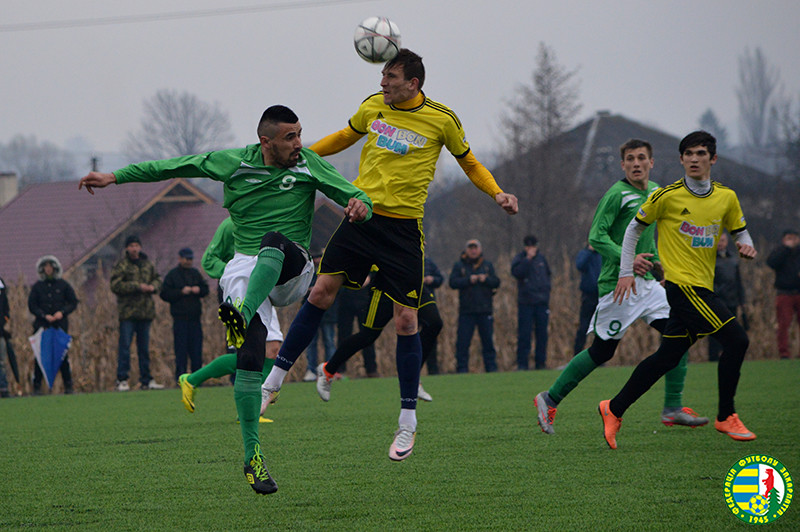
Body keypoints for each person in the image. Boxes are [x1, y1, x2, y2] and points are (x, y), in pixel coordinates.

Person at [80, 105, 372, 495]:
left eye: (300, 133)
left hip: (292, 267)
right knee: (251, 359)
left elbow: (355, 196)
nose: (299, 143)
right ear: (265, 142)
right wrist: (114, 177)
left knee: (273, 242)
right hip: (244, 270)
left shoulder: (309, 164)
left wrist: (360, 205)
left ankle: (244, 311)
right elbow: (172, 166)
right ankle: (253, 457)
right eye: (290, 137)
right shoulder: (233, 163)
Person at [259, 49, 518, 465]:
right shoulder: (373, 106)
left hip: (403, 231)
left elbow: (468, 162)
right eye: (382, 75)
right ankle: (272, 383)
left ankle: (407, 422)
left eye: (391, 77)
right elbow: (344, 137)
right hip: (361, 217)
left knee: (407, 320)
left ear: (413, 83)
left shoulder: (442, 119)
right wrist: (301, 157)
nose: (382, 83)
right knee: (321, 292)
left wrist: (497, 192)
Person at [535, 139, 708, 435]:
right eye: (630, 159)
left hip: (648, 284)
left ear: (651, 163)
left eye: (642, 158)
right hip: (619, 284)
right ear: (623, 164)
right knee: (603, 352)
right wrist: (627, 260)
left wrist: (660, 264)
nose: (636, 163)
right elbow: (596, 237)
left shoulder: (656, 192)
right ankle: (549, 398)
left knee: (681, 334)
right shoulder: (616, 195)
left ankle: (673, 407)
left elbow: (650, 237)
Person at [600, 131, 757, 449]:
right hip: (683, 289)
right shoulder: (666, 196)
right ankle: (726, 415)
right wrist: (626, 271)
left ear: (712, 159)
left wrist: (745, 245)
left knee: (666, 358)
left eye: (701, 153)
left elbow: (741, 230)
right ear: (681, 159)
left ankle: (614, 408)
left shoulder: (726, 197)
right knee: (737, 340)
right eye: (688, 154)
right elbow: (633, 229)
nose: (694, 159)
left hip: (703, 286)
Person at [180, 217, 282, 424]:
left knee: (271, 349)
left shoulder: (267, 220)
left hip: (260, 287)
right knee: (252, 351)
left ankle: (193, 381)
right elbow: (209, 260)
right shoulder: (230, 225)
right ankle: (250, 410)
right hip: (238, 289)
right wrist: (235, 272)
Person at [316, 256, 444, 402]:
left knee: (434, 323)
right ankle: (328, 370)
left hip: (412, 282)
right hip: (386, 286)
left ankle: (412, 380)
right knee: (368, 336)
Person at [109, 235, 164, 392]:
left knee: (144, 348)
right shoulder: (122, 265)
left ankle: (146, 379)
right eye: (131, 245)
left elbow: (158, 279)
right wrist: (137, 286)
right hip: (127, 313)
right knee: (125, 347)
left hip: (145, 312)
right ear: (127, 248)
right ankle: (122, 379)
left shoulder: (147, 264)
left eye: (136, 245)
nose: (134, 248)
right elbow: (115, 285)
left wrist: (152, 287)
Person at [29, 255, 79, 394]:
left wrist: (61, 313)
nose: (48, 269)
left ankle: (68, 385)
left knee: (62, 356)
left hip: (59, 326)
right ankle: (37, 386)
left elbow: (73, 302)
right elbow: (32, 305)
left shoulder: (63, 285)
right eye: (46, 267)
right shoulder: (37, 287)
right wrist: (43, 315)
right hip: (42, 326)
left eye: (51, 266)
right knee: (40, 357)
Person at [450, 239, 501, 373]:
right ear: (466, 250)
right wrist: (468, 280)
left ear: (480, 249)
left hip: (485, 310)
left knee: (488, 342)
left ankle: (491, 369)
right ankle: (462, 370)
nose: (473, 251)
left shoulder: (487, 265)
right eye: (470, 248)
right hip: (467, 311)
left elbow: (496, 281)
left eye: (475, 248)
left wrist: (486, 279)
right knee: (463, 343)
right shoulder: (459, 265)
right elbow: (452, 282)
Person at [160, 247, 210, 382]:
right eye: (186, 259)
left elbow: (205, 289)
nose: (189, 261)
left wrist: (198, 289)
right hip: (180, 319)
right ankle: (180, 378)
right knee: (181, 351)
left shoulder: (195, 273)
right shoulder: (173, 275)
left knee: (196, 350)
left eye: (191, 259)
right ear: (180, 259)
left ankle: (197, 378)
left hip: (195, 319)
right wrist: (181, 292)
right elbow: (164, 294)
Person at [511, 235, 551, 370]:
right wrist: (528, 259)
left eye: (533, 246)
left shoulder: (542, 259)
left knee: (542, 335)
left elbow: (548, 275)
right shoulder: (520, 258)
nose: (531, 249)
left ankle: (541, 363)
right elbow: (517, 273)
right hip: (526, 303)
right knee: (524, 334)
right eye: (528, 247)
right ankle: (522, 364)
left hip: (541, 302)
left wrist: (546, 293)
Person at [709, 232, 746, 361]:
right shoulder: (710, 259)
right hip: (717, 300)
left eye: (723, 240)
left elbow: (738, 281)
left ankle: (729, 356)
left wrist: (742, 300)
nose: (720, 243)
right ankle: (713, 357)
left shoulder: (733, 259)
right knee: (715, 331)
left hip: (732, 300)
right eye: (718, 240)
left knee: (731, 331)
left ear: (727, 241)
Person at [302, 249, 338, 382]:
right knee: (311, 342)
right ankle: (310, 370)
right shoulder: (307, 271)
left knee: (329, 341)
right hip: (310, 313)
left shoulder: (329, 269)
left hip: (328, 313)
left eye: (319, 257)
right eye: (315, 257)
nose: (317, 260)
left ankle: (330, 370)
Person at [766, 229, 800, 359]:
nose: (792, 241)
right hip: (784, 293)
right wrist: (785, 249)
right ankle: (784, 352)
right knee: (783, 324)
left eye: (794, 238)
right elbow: (771, 263)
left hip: (799, 291)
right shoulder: (779, 252)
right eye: (789, 238)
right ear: (783, 240)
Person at [573, 243, 601, 355]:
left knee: (599, 328)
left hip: (601, 295)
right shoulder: (584, 254)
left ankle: (599, 354)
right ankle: (577, 353)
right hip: (588, 295)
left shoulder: (602, 255)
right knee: (583, 326)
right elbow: (580, 265)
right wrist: (589, 251)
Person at [0, 276, 12, 398]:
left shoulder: (1, 284)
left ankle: (3, 388)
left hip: (0, 333)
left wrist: (3, 322)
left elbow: (5, 310)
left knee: (1, 362)